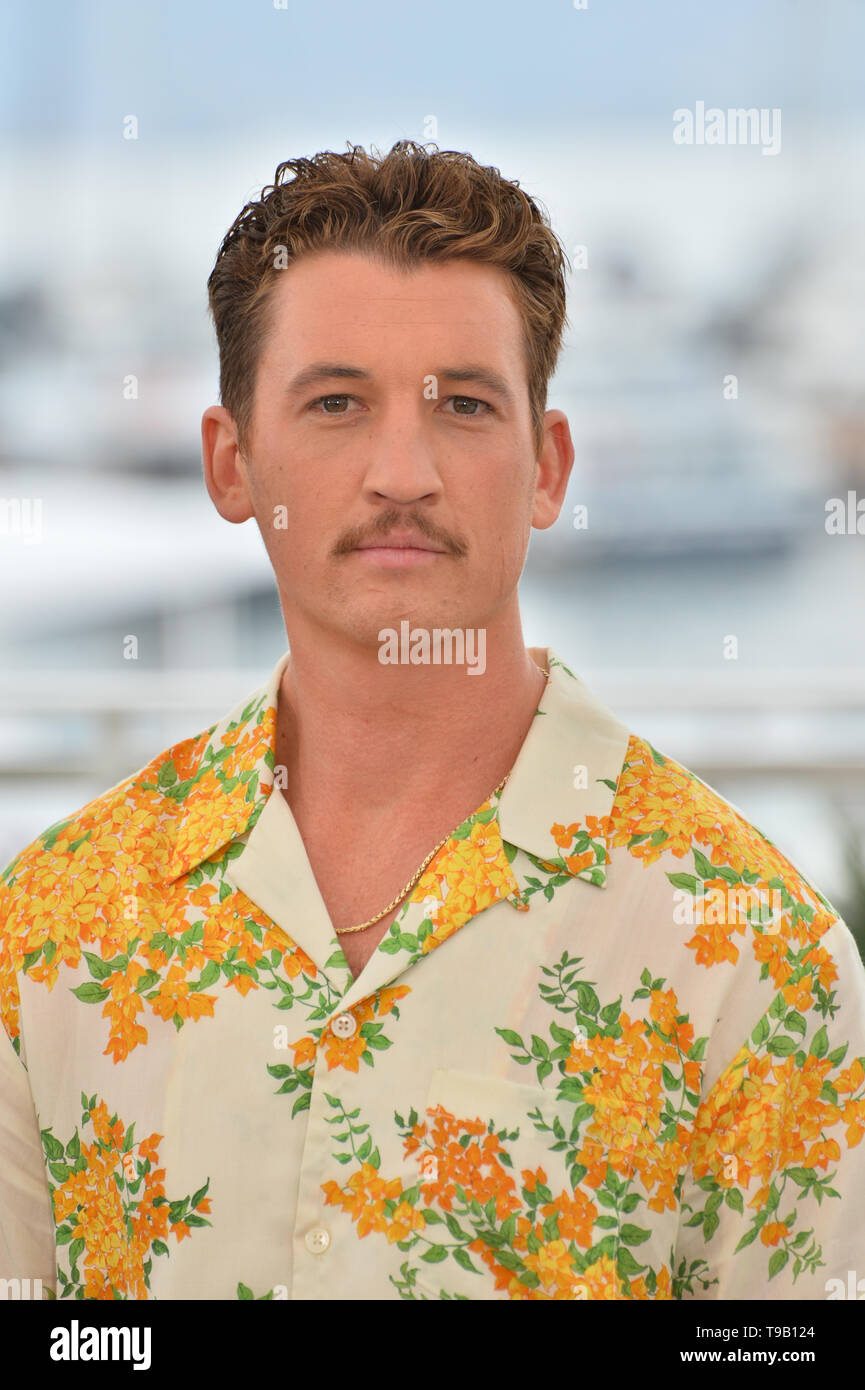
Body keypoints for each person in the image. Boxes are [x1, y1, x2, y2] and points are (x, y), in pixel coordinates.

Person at [1, 140, 863, 1303]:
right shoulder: (50, 930)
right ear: (231, 462)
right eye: (336, 403)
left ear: (546, 467)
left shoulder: (756, 958)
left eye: (462, 404)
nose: (401, 472)